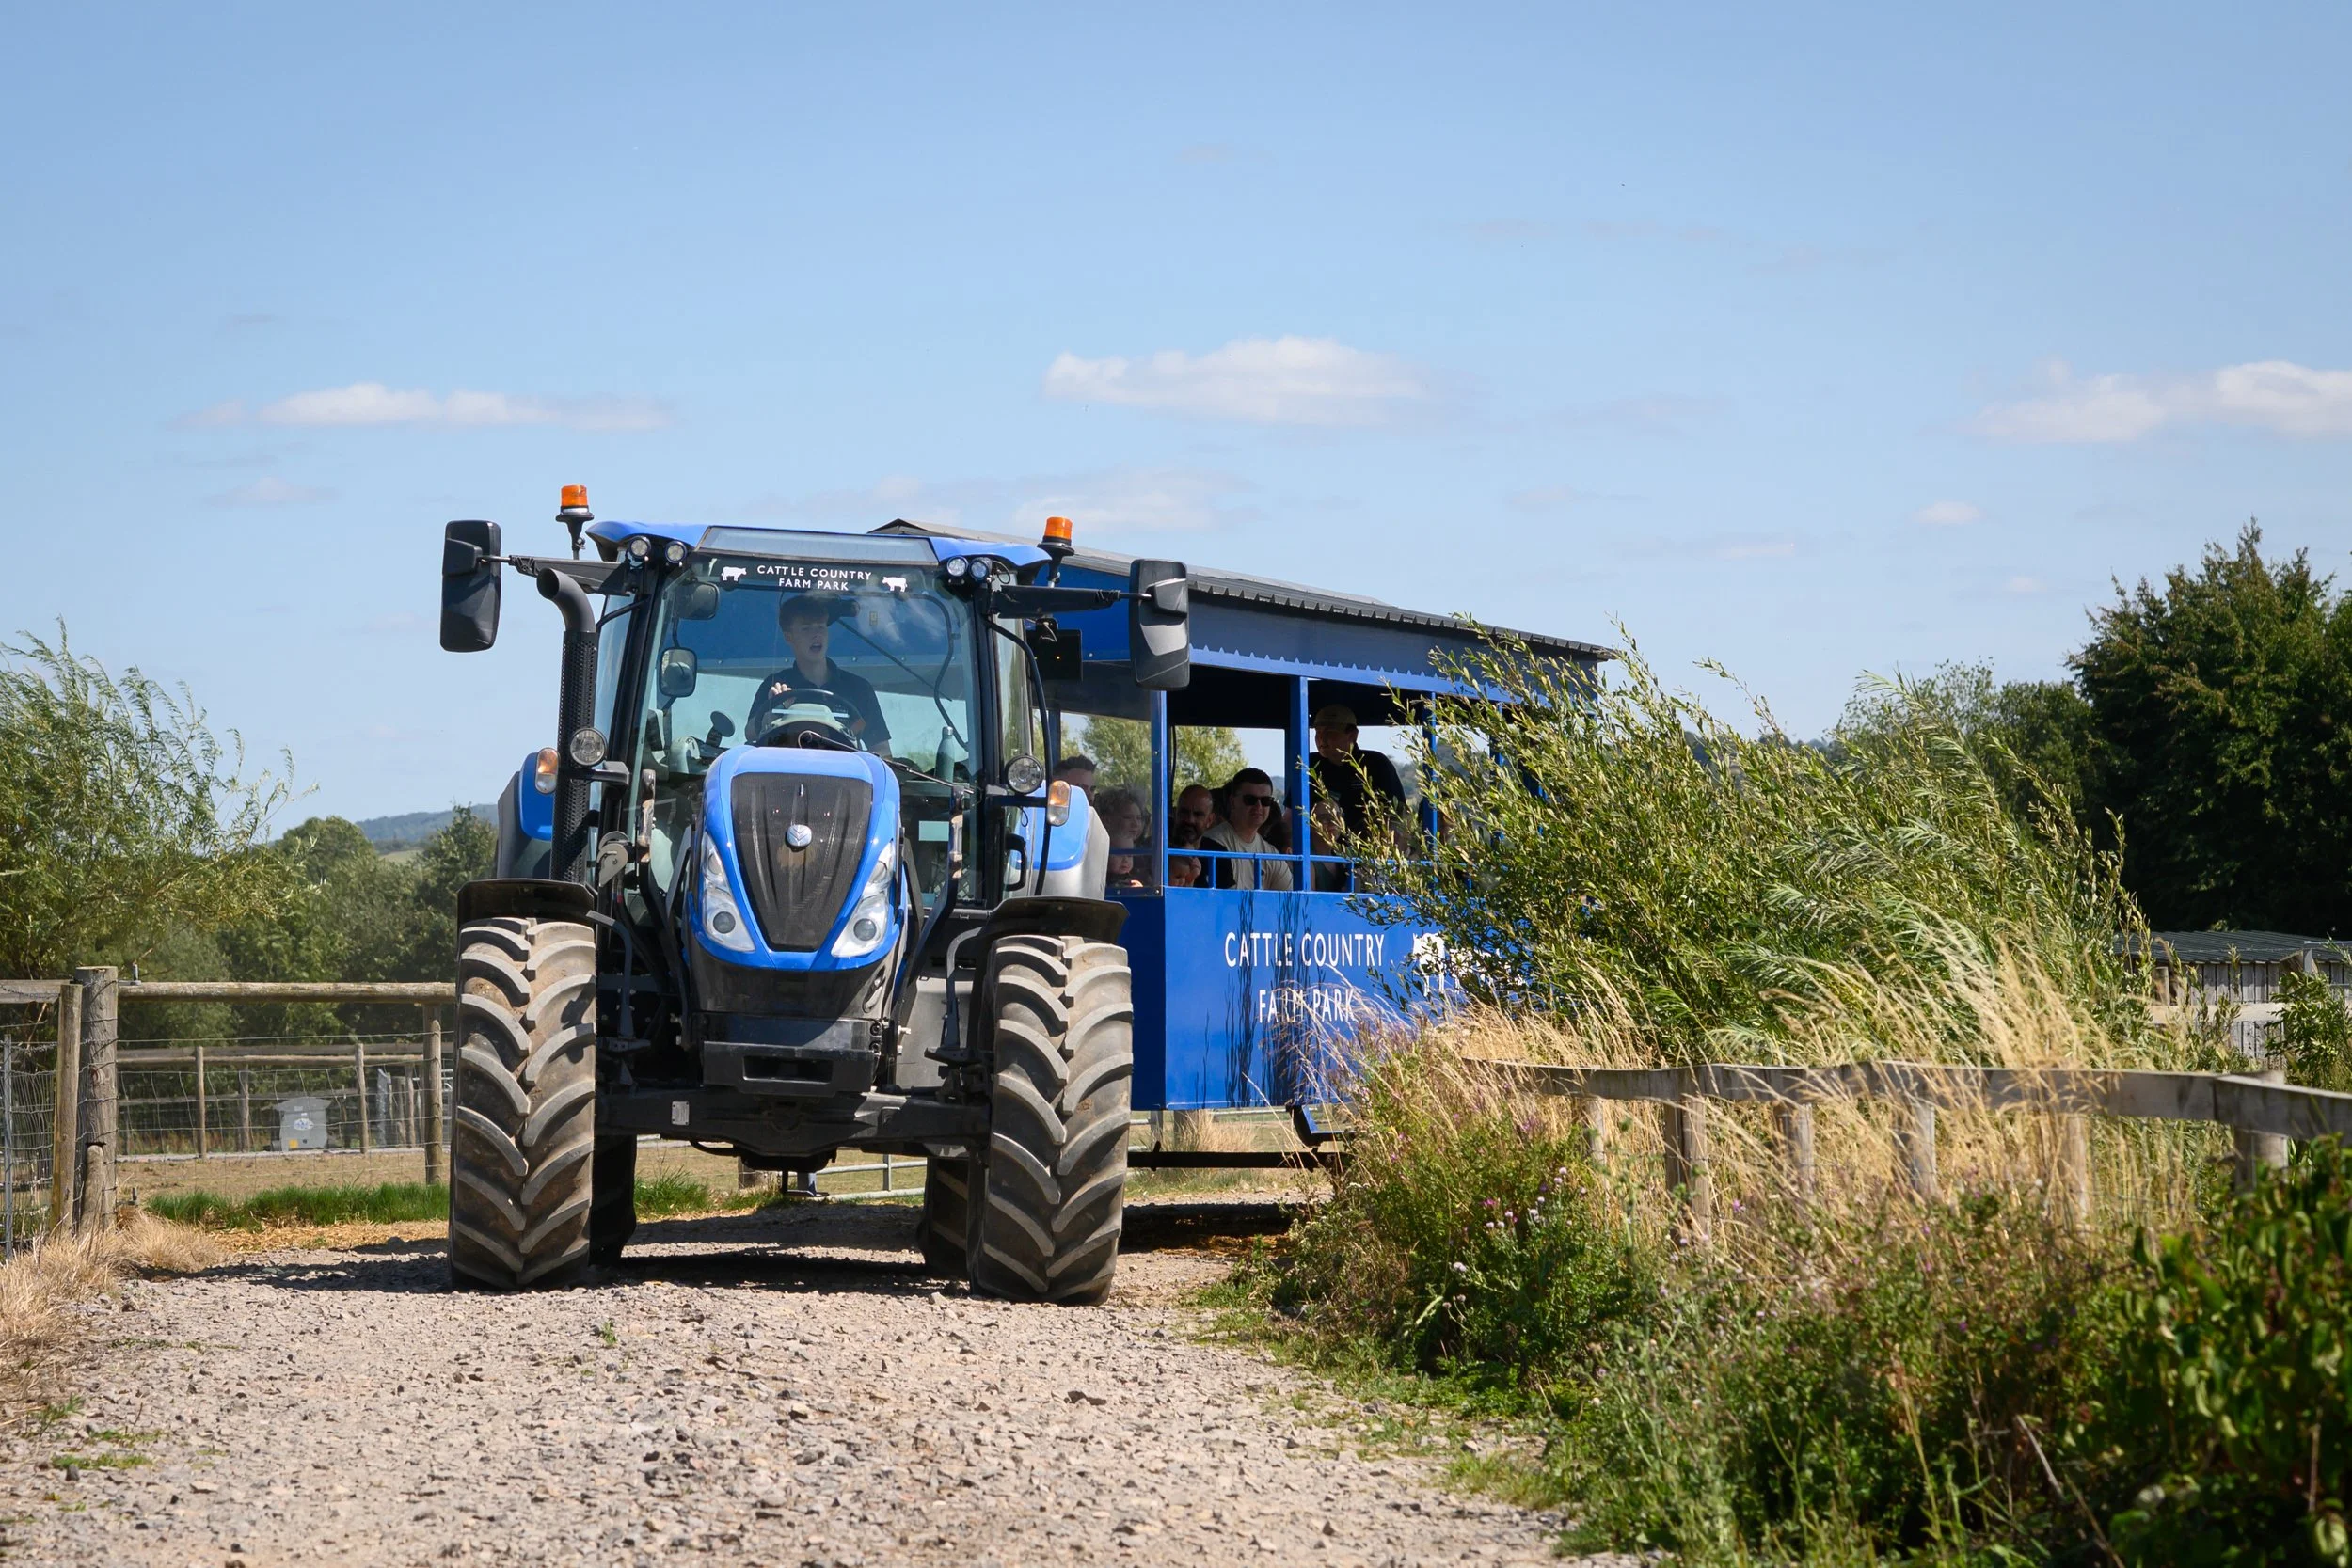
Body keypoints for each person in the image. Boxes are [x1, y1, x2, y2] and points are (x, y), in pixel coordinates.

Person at [749, 594, 893, 757]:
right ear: (789, 636)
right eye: (806, 629)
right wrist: (775, 708)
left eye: (821, 627)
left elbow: (882, 751)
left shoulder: (858, 688)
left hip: (844, 772)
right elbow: (750, 735)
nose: (816, 635)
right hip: (784, 770)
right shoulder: (775, 684)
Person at [1308, 704, 1406, 841]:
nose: (1322, 739)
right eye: (1318, 732)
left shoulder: (1376, 764)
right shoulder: (1310, 764)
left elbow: (1398, 814)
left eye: (1330, 732)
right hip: (1321, 846)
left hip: (1368, 846)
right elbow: (1291, 814)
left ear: (1352, 736)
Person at [1201, 768, 1293, 891]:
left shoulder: (1271, 854)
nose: (1258, 806)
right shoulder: (1212, 843)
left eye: (1265, 801)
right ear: (1232, 802)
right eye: (1250, 800)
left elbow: (1290, 899)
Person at [1171, 784, 1216, 848]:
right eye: (1184, 812)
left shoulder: (1218, 851)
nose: (1190, 820)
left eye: (1198, 815)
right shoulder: (1159, 845)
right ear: (1175, 814)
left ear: (1209, 820)